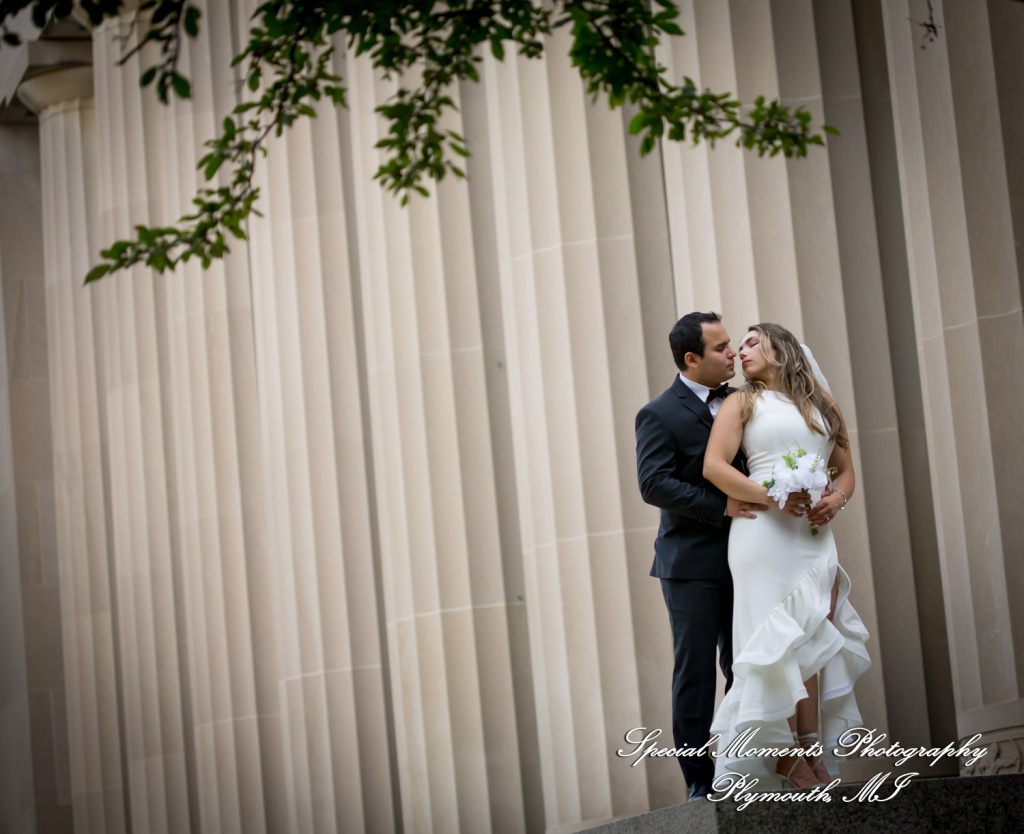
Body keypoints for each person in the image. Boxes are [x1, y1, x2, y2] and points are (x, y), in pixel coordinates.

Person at [703, 323, 871, 789]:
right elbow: (713, 466)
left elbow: (845, 470)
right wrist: (769, 495)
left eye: (751, 342)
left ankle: (810, 747)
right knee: (773, 637)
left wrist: (836, 499)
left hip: (812, 535)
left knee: (811, 635)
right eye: (739, 345)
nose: (741, 351)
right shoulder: (742, 402)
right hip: (762, 533)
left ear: (780, 347)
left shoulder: (824, 404)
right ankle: (783, 751)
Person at [634, 312, 768, 802]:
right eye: (720, 348)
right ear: (691, 359)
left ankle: (742, 763)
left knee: (745, 663)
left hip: (748, 553)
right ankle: (698, 779)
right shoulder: (657, 413)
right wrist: (721, 505)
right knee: (695, 671)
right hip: (691, 563)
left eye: (732, 343)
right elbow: (654, 484)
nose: (732, 353)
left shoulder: (745, 400)